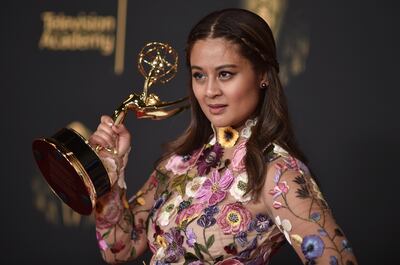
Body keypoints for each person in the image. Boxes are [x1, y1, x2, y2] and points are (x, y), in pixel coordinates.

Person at [89, 8, 358, 265]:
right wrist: (110, 170)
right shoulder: (177, 163)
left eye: (225, 74)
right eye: (199, 75)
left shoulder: (278, 173)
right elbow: (119, 250)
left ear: (263, 74)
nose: (209, 91)